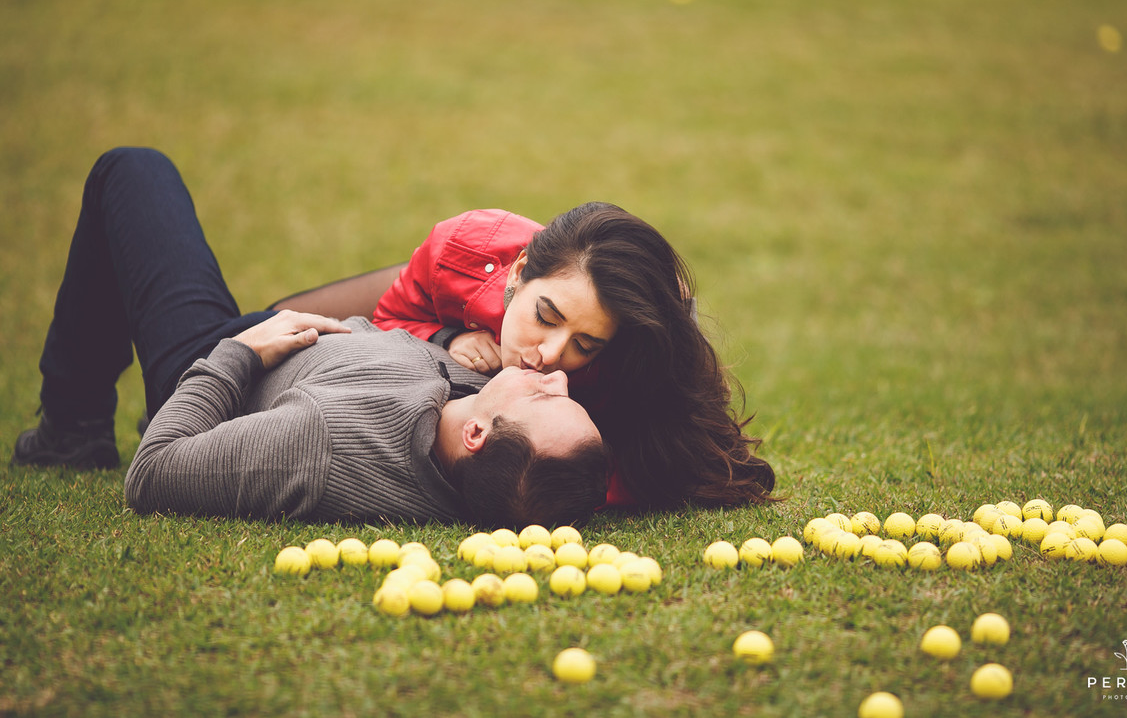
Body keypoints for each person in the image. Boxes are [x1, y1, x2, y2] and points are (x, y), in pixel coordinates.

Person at [12, 147, 609, 528]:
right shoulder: (496, 439)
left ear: (477, 434)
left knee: (132, 170)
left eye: (545, 397)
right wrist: (451, 338)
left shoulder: (314, 447)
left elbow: (153, 472)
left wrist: (238, 355)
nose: (558, 373)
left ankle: (72, 428)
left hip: (223, 358)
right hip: (338, 347)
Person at [274, 204, 777, 511]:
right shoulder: (465, 250)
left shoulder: (613, 378)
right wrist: (443, 336)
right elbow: (389, 319)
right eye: (546, 315)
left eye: (585, 344)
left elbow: (613, 473)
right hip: (435, 291)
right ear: (518, 274)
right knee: (271, 319)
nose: (551, 356)